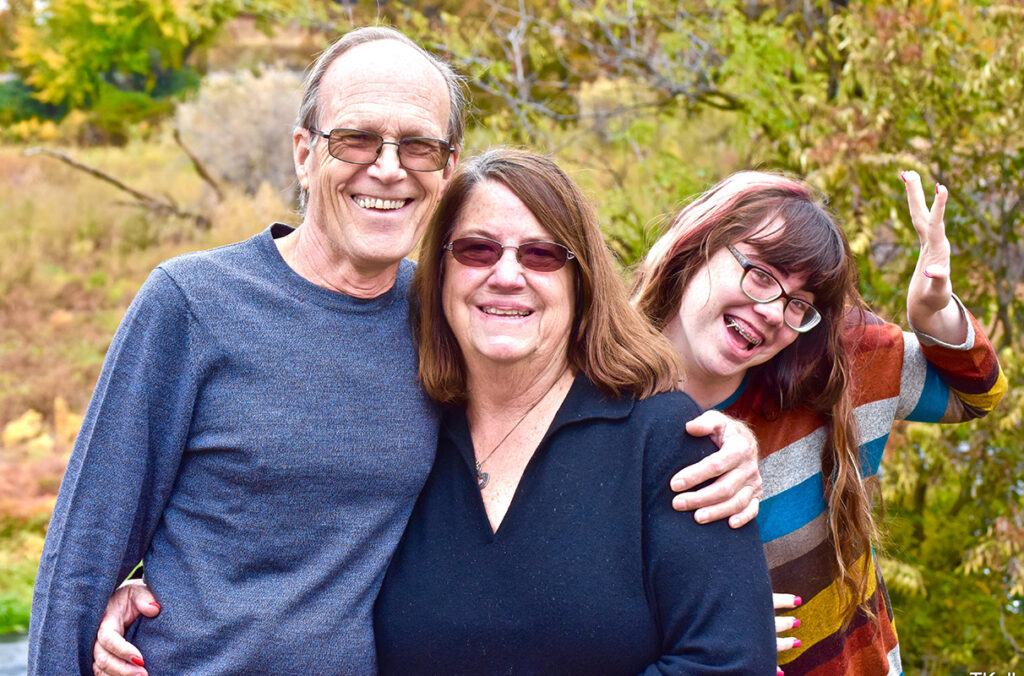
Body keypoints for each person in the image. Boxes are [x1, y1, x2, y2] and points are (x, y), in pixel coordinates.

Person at [34, 27, 760, 675]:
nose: (388, 168)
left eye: (417, 145)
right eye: (356, 139)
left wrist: (726, 434)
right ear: (303, 152)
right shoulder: (193, 304)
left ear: (445, 169)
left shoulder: (443, 315)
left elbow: (578, 361)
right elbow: (80, 561)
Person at [373, 148, 776, 673]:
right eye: (477, 249)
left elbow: (729, 663)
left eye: (541, 255)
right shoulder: (402, 430)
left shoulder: (666, 442)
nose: (507, 275)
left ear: (580, 279)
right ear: (440, 270)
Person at [630, 169, 1007, 675]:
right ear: (699, 245)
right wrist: (714, 620)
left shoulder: (838, 364)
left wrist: (933, 311)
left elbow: (977, 394)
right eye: (761, 274)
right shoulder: (598, 406)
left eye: (798, 304)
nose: (771, 311)